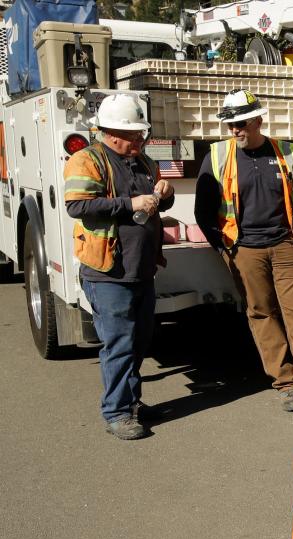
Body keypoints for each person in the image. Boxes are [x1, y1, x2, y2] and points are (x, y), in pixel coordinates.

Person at [193, 89, 293, 413]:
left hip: (284, 245)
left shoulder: (286, 154)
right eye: (230, 125)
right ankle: (286, 384)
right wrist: (225, 248)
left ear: (257, 120)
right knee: (261, 315)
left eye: (240, 124)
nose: (235, 130)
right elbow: (202, 210)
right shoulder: (219, 155)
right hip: (244, 249)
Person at [65, 94, 175, 440]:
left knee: (139, 341)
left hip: (141, 269)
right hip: (108, 273)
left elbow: (155, 201)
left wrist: (165, 192)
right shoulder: (87, 160)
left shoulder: (141, 161)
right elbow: (77, 206)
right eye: (133, 135)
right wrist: (129, 203)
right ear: (111, 133)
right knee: (120, 343)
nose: (139, 140)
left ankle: (131, 402)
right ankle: (117, 412)